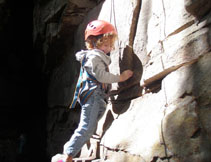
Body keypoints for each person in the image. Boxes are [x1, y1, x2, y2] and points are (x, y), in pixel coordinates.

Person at [51, 20, 133, 162]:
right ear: (95, 43)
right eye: (106, 45)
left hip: (97, 95)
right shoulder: (94, 57)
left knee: (91, 125)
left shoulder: (97, 56)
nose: (109, 48)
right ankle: (67, 157)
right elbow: (101, 76)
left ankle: (69, 153)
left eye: (110, 45)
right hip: (93, 94)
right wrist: (121, 77)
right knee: (87, 127)